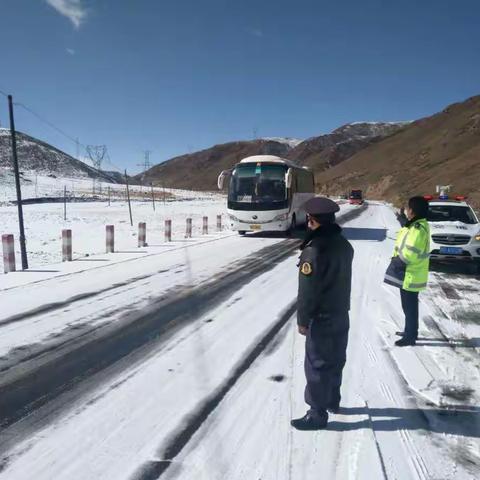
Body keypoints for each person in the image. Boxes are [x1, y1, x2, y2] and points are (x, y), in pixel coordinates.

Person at [291, 197, 354, 431]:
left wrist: (303, 320)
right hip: (341, 312)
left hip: (322, 315)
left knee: (317, 364)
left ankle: (316, 414)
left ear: (311, 220)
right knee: (336, 358)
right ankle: (332, 400)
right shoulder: (343, 244)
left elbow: (308, 291)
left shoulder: (314, 250)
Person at [384, 196, 430, 346]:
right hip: (410, 273)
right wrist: (403, 221)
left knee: (409, 307)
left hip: (411, 273)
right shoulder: (416, 225)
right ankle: (409, 330)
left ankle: (410, 336)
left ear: (413, 211)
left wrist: (396, 262)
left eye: (408, 208)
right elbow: (407, 232)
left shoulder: (418, 229)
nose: (406, 210)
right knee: (408, 305)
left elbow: (410, 253)